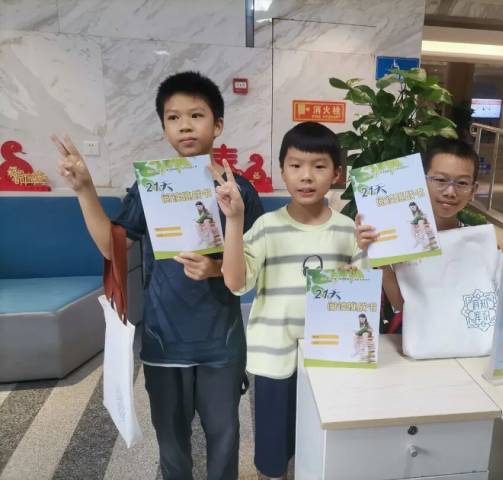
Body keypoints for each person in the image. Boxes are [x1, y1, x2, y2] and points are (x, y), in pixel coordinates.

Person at [52, 71, 263, 480]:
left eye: (196, 115)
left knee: (224, 437)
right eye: (173, 117)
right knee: (171, 441)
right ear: (164, 127)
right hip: (164, 340)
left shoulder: (239, 191)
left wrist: (216, 267)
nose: (185, 125)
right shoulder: (151, 187)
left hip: (221, 341)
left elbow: (255, 262)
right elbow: (112, 247)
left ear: (218, 124)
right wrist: (84, 189)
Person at [213, 121, 365, 480]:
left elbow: (362, 292)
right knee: (273, 453)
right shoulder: (267, 226)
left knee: (323, 443)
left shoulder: (348, 230)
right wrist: (234, 220)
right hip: (274, 357)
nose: (306, 176)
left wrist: (369, 253)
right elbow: (236, 283)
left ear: (337, 174)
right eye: (295, 165)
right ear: (282, 170)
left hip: (329, 358)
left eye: (319, 166)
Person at [356, 138, 503, 312]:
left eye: (462, 183)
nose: (450, 191)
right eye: (440, 180)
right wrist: (379, 258)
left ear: (473, 190)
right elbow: (402, 306)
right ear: (422, 182)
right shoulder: (404, 240)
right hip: (423, 336)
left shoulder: (481, 241)